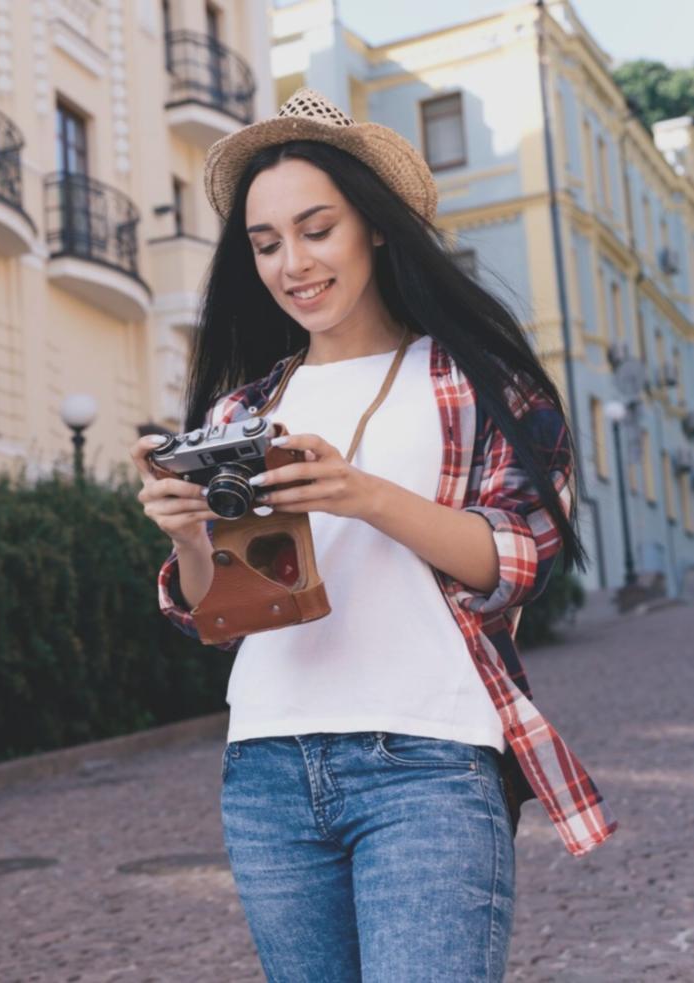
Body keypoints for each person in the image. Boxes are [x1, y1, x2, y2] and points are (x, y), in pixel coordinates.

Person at [129, 88, 619, 982]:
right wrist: (191, 541)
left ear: (376, 227)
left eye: (317, 229)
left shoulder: (474, 380)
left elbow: (519, 559)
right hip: (268, 764)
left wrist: (363, 494)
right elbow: (223, 615)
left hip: (427, 760)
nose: (292, 263)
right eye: (266, 242)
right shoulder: (244, 410)